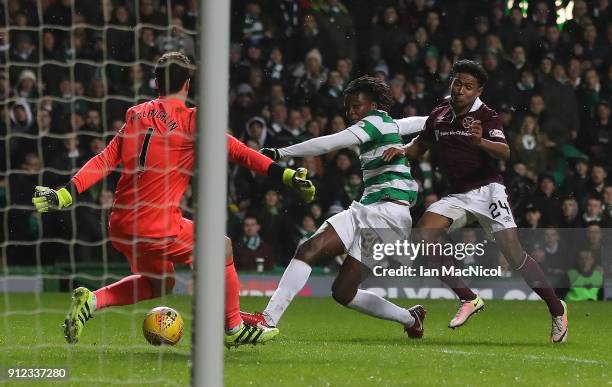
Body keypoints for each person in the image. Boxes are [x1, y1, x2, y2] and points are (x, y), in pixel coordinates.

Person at [31, 52, 315, 347]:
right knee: (223, 246)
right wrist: (286, 176)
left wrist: (66, 192)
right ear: (188, 84)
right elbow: (240, 152)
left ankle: (92, 300)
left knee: (161, 281)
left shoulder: (135, 115)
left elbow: (104, 160)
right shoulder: (192, 120)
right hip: (158, 225)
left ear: (156, 83)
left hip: (121, 225)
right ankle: (233, 327)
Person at [381, 60, 568, 343]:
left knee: (513, 255)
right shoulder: (440, 114)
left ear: (478, 90)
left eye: (468, 86)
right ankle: (468, 298)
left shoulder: (486, 115)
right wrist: (402, 150)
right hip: (458, 194)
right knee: (424, 232)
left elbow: (504, 152)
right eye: (457, 83)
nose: (460, 90)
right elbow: (421, 144)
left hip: (488, 190)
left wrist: (480, 142)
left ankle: (557, 309)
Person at [242, 76, 428, 338]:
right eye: (348, 108)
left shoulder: (375, 122)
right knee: (313, 254)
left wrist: (280, 153)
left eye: (357, 107)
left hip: (389, 216)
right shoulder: (387, 125)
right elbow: (418, 123)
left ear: (373, 106)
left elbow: (330, 142)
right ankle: (268, 319)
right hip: (365, 208)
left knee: (342, 289)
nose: (351, 113)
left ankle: (409, 318)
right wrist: (442, 117)